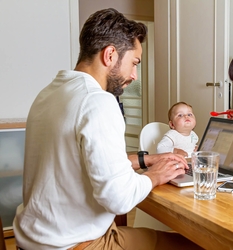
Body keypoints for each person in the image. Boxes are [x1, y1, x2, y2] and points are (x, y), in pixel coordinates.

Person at [13, 8, 203, 250]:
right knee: (195, 245)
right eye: (134, 63)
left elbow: (84, 160)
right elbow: (119, 199)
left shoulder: (50, 93)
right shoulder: (97, 101)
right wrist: (155, 176)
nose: (134, 75)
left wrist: (149, 160)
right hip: (75, 244)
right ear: (110, 55)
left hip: (36, 240)